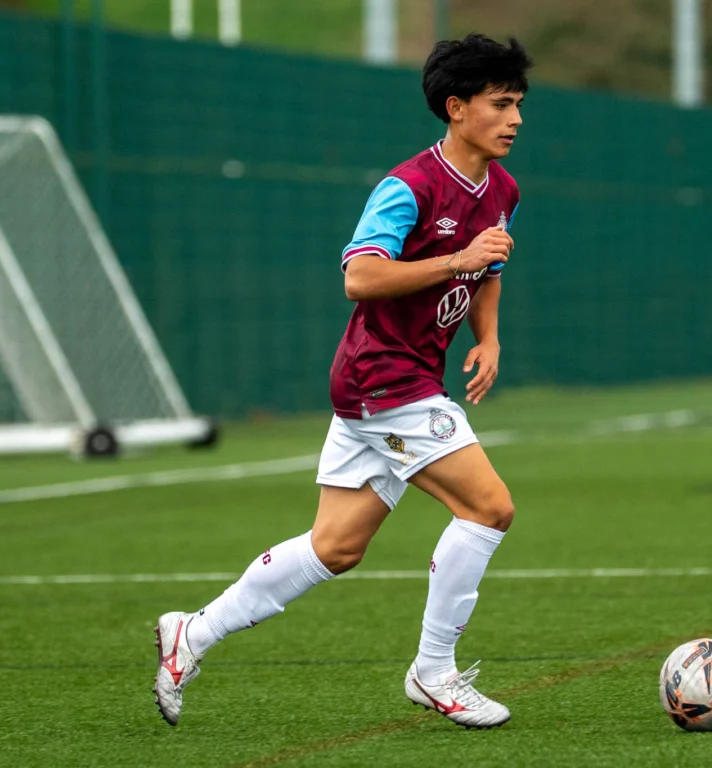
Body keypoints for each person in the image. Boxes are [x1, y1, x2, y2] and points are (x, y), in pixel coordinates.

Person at [153, 33, 532, 731]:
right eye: (500, 104)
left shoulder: (502, 188)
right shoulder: (410, 186)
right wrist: (456, 260)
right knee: (489, 508)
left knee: (336, 547)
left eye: (518, 105)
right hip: (384, 377)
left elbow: (491, 264)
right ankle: (434, 670)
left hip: (400, 380)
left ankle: (192, 632)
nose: (514, 119)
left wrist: (488, 335)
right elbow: (360, 276)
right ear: (456, 108)